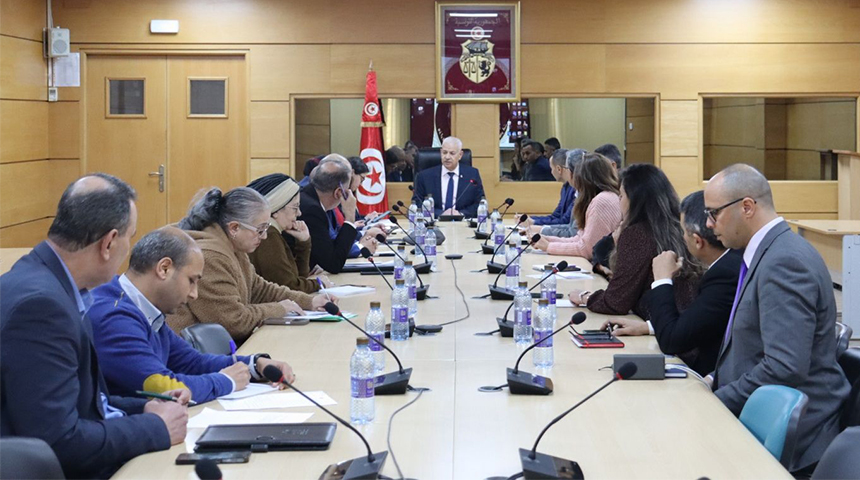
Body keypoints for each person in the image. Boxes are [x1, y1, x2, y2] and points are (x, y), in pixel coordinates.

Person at [1, 174, 189, 479]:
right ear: (109, 242)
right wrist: (155, 427)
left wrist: (144, 408)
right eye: (130, 237)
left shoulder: (47, 283)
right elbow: (58, 441)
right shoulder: (41, 307)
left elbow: (83, 403)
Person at [704, 164, 849, 473]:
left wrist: (716, 401)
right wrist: (713, 380)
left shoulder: (784, 261)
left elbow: (785, 367)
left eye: (714, 213)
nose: (708, 223)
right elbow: (753, 344)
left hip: (793, 442)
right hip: (759, 416)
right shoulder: (770, 251)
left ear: (746, 207)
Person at [90, 227, 297, 405]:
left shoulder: (142, 307)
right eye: (191, 280)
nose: (194, 294)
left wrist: (254, 365)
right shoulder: (114, 316)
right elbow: (163, 388)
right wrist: (226, 381)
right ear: (164, 269)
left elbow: (190, 363)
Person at [598, 191, 742, 376]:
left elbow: (672, 341)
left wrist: (662, 280)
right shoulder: (731, 261)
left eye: (683, 232)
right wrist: (649, 327)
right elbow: (698, 322)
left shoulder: (724, 274)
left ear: (697, 241)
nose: (681, 238)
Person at [167, 187, 327, 344]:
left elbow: (260, 290)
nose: (264, 236)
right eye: (260, 230)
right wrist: (279, 309)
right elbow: (233, 322)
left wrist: (309, 302)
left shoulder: (234, 248)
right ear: (234, 228)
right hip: (192, 354)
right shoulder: (209, 257)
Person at [569, 164, 699, 320]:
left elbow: (615, 302)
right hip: (686, 320)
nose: (619, 201)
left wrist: (585, 297)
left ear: (635, 199)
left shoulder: (637, 233)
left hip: (658, 321)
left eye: (621, 196)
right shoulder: (680, 227)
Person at [247, 173, 329, 293]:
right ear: (275, 210)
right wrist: (319, 284)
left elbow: (296, 278)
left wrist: (303, 243)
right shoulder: (268, 235)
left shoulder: (273, 232)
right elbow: (289, 287)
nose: (299, 213)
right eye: (295, 208)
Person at [532, 152, 622, 259]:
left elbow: (587, 249)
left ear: (584, 178)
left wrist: (549, 246)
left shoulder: (602, 201)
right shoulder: (601, 197)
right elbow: (579, 238)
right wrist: (547, 240)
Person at [299, 154, 360, 273]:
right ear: (339, 193)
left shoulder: (308, 198)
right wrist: (350, 218)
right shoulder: (312, 210)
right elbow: (334, 264)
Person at [411, 136, 485, 217]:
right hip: (434, 222)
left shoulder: (472, 175)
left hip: (462, 221)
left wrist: (461, 214)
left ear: (460, 155)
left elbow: (480, 203)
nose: (447, 157)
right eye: (444, 152)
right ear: (440, 152)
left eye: (452, 153)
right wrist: (441, 214)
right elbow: (418, 203)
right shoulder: (425, 176)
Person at [523, 148, 576, 236]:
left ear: (559, 169)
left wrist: (536, 224)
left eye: (551, 168)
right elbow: (556, 215)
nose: (551, 172)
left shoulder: (576, 190)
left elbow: (565, 221)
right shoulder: (565, 187)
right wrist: (532, 219)